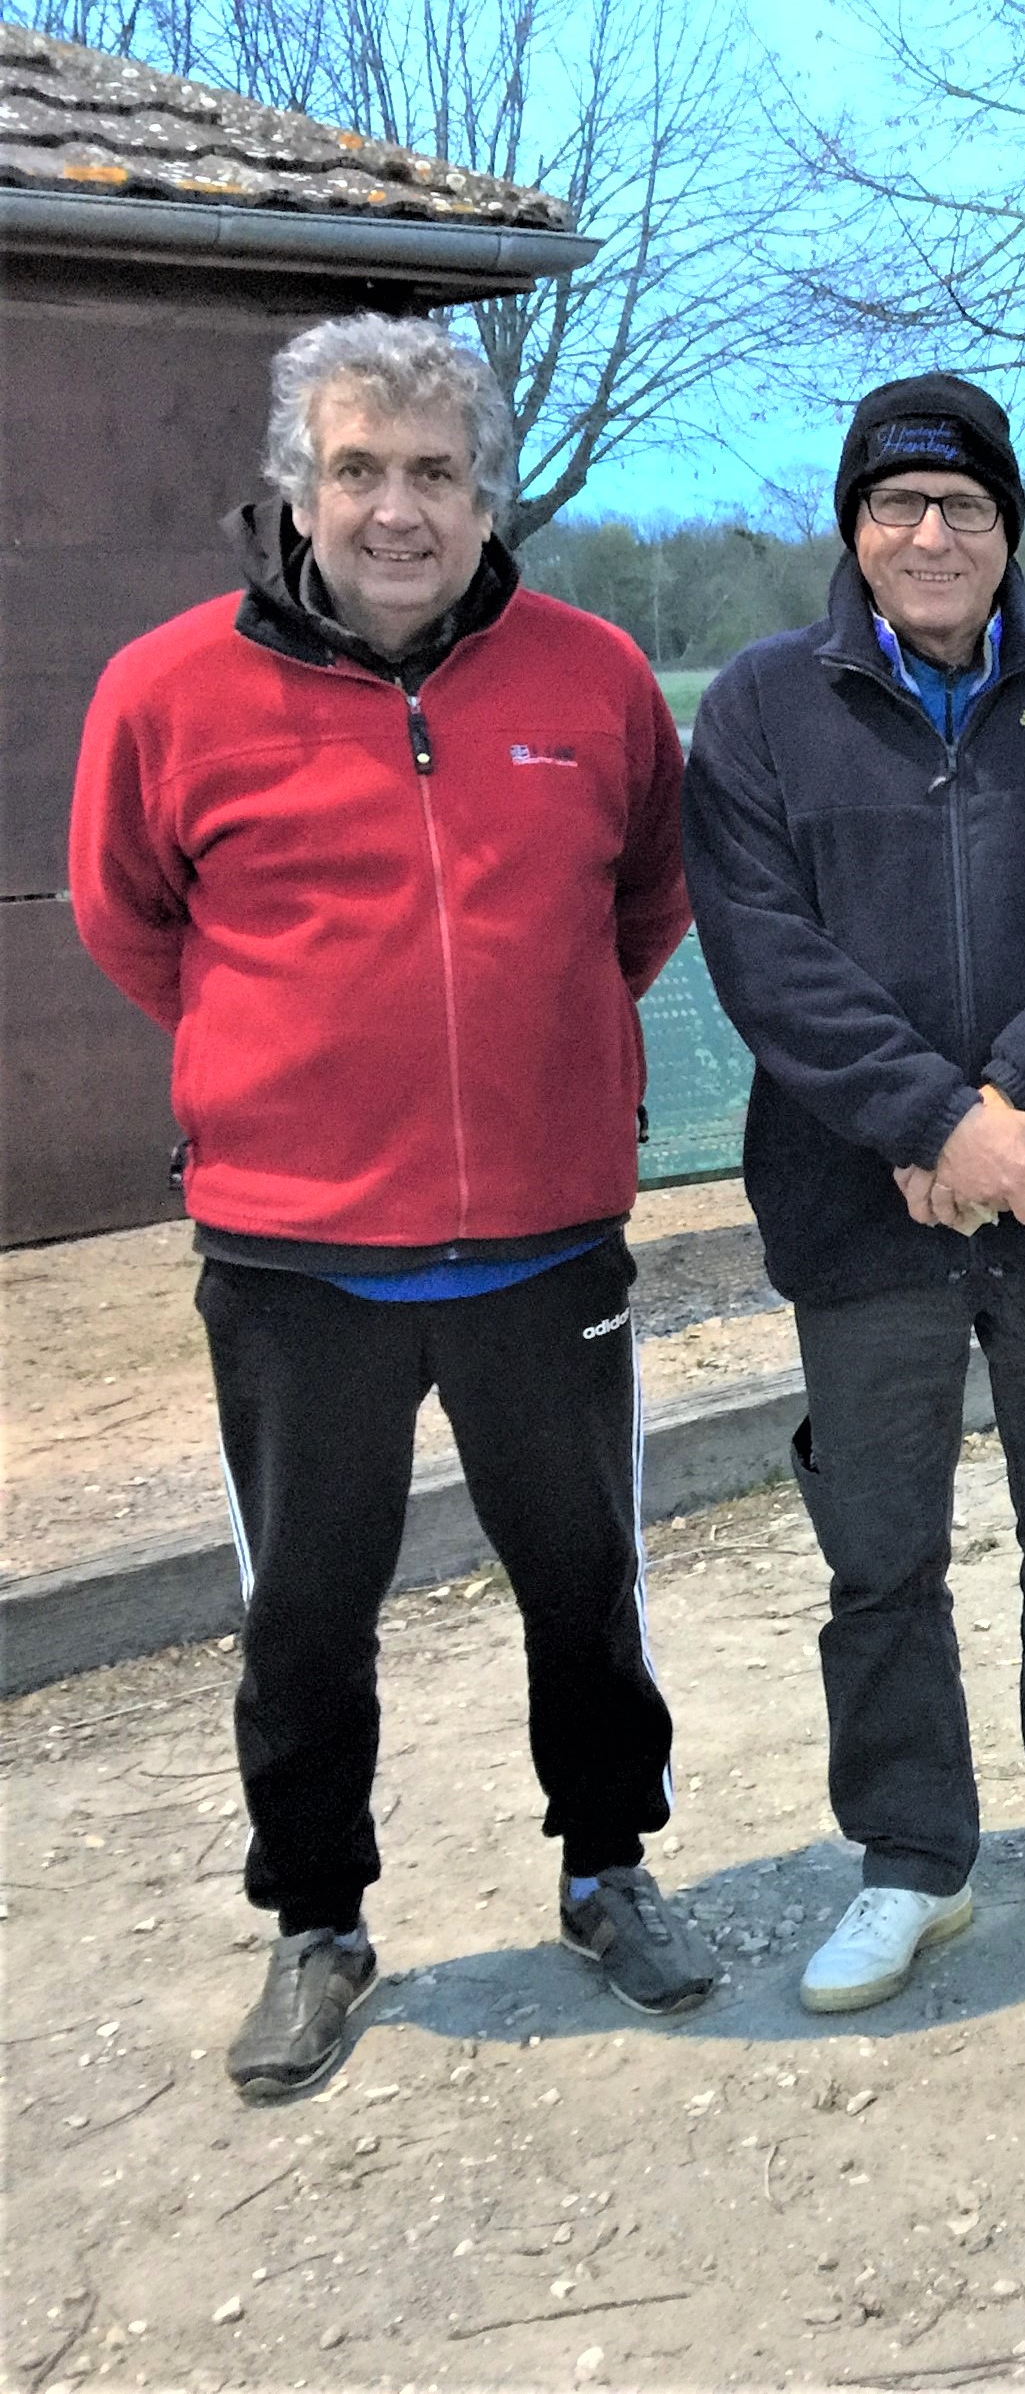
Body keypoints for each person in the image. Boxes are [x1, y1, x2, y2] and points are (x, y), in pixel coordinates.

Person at [69, 314, 717, 2097]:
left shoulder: (592, 683)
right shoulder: (166, 690)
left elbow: (643, 905)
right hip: (295, 1253)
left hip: (543, 1235)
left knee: (585, 1581)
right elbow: (134, 925)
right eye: (358, 468)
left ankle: (608, 1867)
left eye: (434, 471)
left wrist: (537, 1056)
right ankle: (318, 1920)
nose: (397, 507)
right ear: (299, 487)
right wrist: (287, 1068)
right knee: (303, 1609)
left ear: (486, 491)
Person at [684, 374, 1025, 2012]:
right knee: (881, 1557)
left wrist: (1011, 1112)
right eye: (899, 507)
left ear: (1009, 529)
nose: (932, 535)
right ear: (855, 527)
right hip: (862, 1215)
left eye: (965, 509)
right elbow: (764, 953)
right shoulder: (766, 709)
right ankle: (911, 1859)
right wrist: (926, 1121)